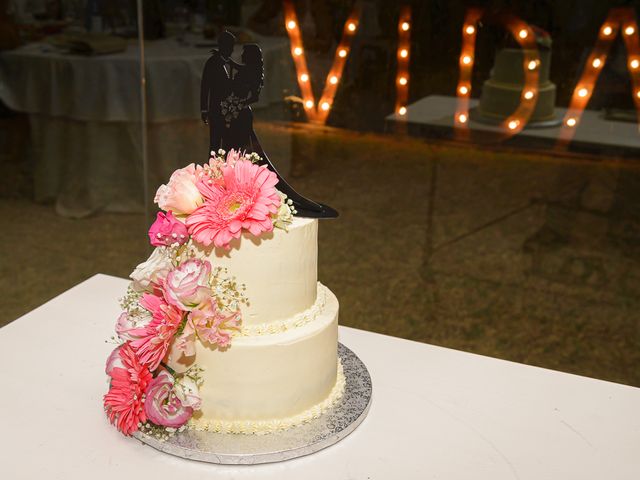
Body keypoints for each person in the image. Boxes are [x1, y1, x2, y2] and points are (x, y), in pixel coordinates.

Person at [200, 30, 237, 153]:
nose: (232, 51)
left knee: (227, 142)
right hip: (216, 111)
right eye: (231, 47)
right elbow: (205, 88)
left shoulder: (227, 63)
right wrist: (204, 110)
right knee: (215, 144)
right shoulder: (212, 63)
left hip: (226, 111)